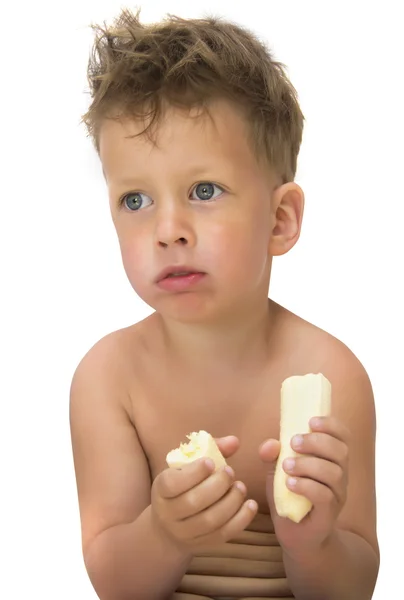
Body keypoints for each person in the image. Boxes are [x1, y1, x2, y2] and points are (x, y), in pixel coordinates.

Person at [70, 7, 379, 599]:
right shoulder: (109, 378)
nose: (168, 230)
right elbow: (114, 586)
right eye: (135, 200)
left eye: (203, 191)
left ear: (280, 219)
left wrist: (314, 544)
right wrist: (163, 532)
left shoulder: (333, 373)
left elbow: (352, 589)